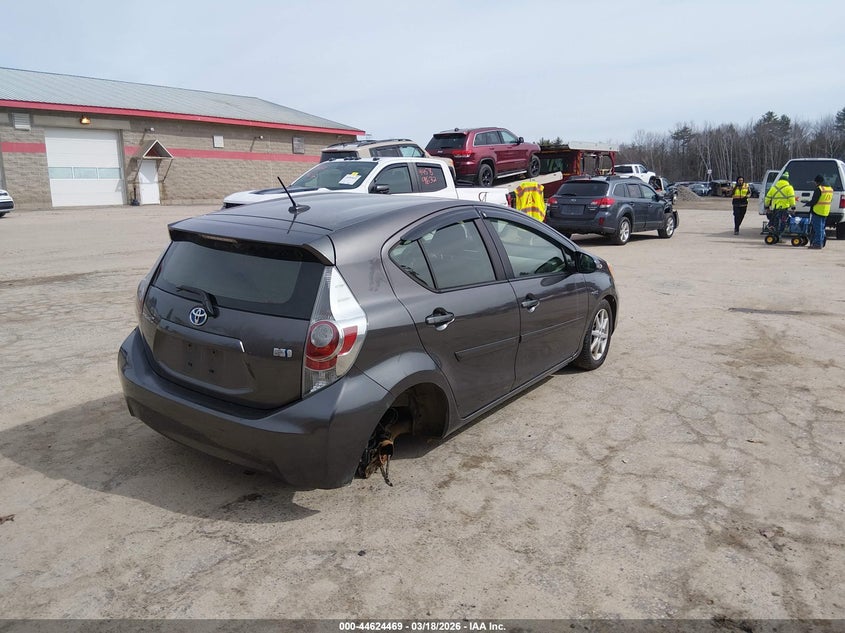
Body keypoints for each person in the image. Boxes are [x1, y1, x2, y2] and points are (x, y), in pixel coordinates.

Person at [764, 171, 796, 236]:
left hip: (775, 208)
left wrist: (767, 207)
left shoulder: (773, 188)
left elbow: (767, 198)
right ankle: (779, 236)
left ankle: (773, 233)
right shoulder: (789, 188)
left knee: (775, 222)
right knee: (783, 223)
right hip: (784, 209)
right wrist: (793, 207)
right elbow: (791, 198)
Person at [805, 174, 832, 249]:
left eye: (815, 182)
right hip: (825, 211)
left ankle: (817, 244)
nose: (815, 184)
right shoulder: (829, 189)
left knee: (818, 229)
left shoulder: (819, 189)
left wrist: (807, 203)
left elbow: (814, 201)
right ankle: (821, 243)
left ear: (818, 182)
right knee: (822, 229)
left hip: (817, 211)